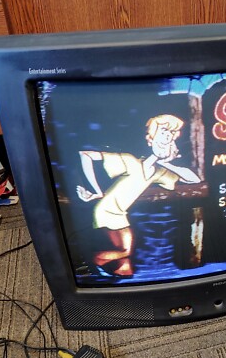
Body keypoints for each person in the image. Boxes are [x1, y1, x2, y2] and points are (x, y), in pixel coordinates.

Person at [76, 114, 201, 277]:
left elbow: (194, 180)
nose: (167, 138)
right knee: (125, 250)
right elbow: (85, 155)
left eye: (170, 136)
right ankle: (91, 263)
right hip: (106, 211)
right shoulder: (130, 161)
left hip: (120, 214)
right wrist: (97, 191)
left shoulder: (159, 172)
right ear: (150, 139)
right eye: (163, 133)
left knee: (125, 264)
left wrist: (165, 162)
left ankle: (121, 277)